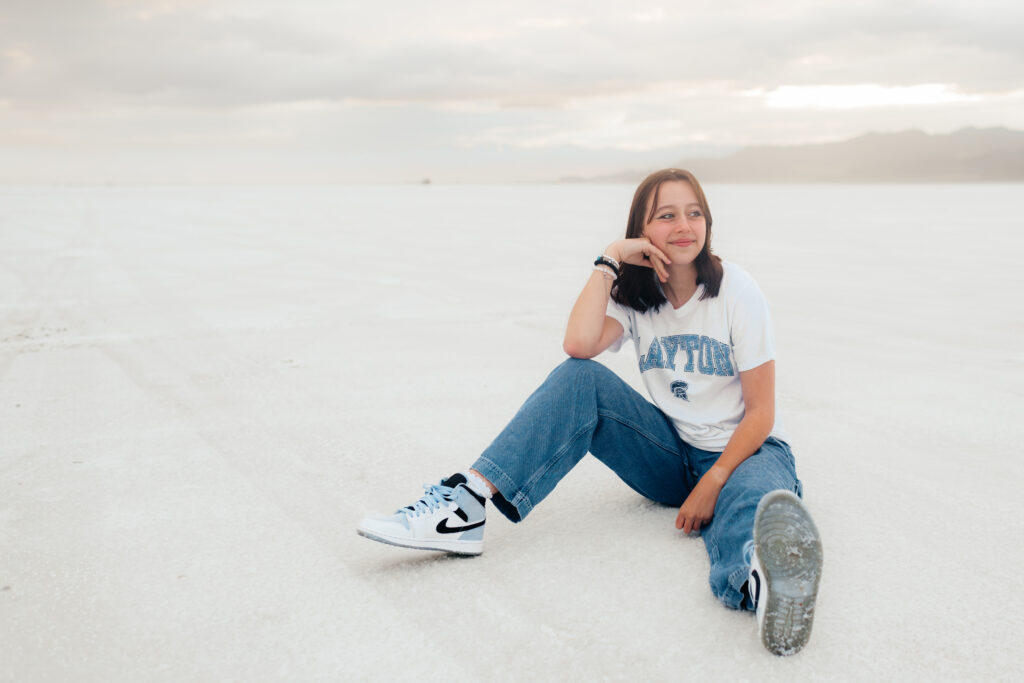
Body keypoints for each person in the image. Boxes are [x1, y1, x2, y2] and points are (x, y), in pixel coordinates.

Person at [357, 169, 823, 656]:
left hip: (749, 450)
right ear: (642, 229)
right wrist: (610, 260)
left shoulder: (736, 291)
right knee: (579, 377)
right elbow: (578, 345)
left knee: (749, 504)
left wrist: (715, 480)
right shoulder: (637, 297)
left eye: (695, 213)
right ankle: (467, 504)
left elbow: (762, 413)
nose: (684, 225)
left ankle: (761, 580)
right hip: (670, 454)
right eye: (666, 215)